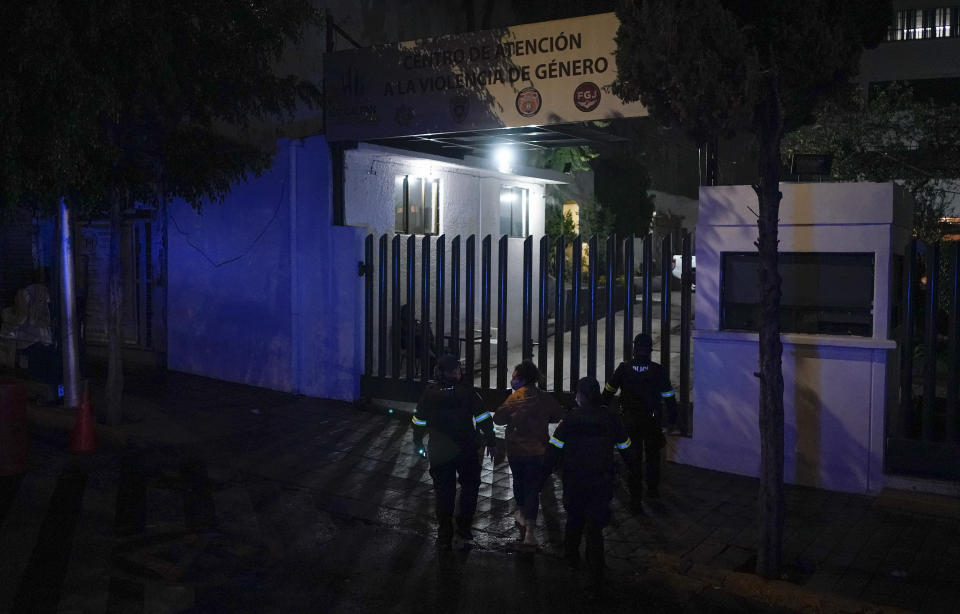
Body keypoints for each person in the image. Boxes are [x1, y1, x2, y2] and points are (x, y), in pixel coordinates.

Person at [546, 377, 635, 598]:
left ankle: (571, 559)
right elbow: (625, 446)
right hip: (600, 480)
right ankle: (596, 575)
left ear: (581, 396)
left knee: (574, 520)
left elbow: (554, 449)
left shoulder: (570, 419)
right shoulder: (611, 418)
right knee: (595, 528)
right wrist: (631, 468)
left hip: (575, 479)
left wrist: (543, 475)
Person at [412, 353, 498, 551]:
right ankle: (464, 527)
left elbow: (419, 420)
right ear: (455, 373)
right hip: (465, 447)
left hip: (439, 449)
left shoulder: (429, 393)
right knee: (470, 485)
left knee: (443, 491)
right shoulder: (467, 392)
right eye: (458, 369)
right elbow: (484, 418)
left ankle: (444, 533)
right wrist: (491, 441)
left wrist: (418, 441)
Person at [601, 332, 678, 511]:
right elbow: (668, 396)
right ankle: (652, 490)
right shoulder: (657, 371)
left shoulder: (623, 368)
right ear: (650, 350)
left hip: (629, 421)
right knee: (652, 457)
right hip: (652, 421)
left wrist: (600, 407)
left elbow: (608, 391)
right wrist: (672, 418)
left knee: (633, 458)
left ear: (635, 349)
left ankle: (635, 499)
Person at [493, 360, 564, 547]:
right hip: (539, 451)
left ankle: (524, 516)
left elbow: (498, 419)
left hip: (516, 451)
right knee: (533, 487)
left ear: (522, 379)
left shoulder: (515, 398)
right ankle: (530, 531)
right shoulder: (544, 397)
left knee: (519, 482)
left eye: (514, 377)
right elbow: (558, 414)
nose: (512, 380)